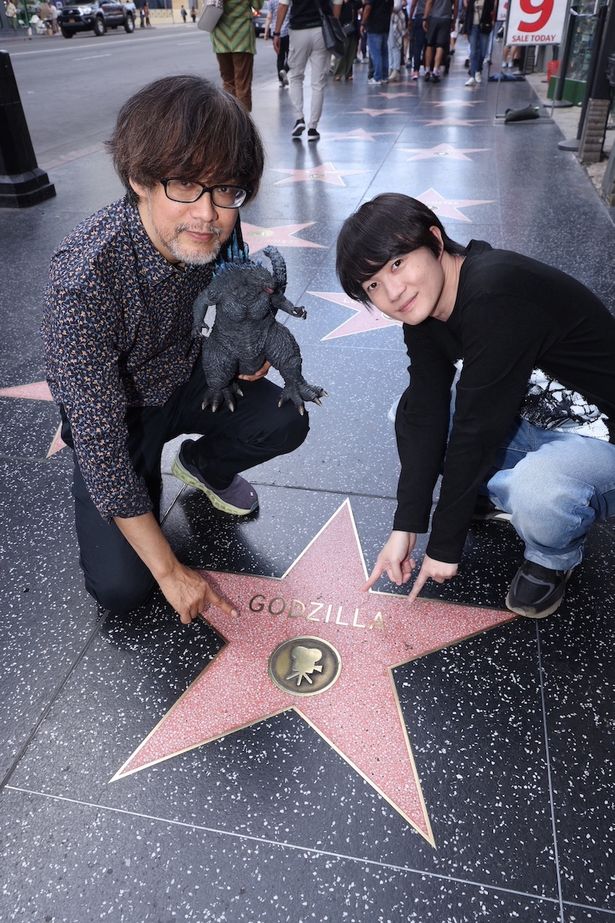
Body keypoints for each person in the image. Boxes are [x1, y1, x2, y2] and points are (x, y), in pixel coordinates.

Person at [42, 76, 309, 625]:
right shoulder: (83, 282)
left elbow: (241, 289)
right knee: (121, 589)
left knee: (287, 418)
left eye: (227, 189)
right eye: (185, 184)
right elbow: (102, 450)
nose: (208, 214)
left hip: (189, 376)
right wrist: (170, 570)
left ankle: (201, 465)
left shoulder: (214, 226)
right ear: (139, 178)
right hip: (118, 417)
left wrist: (244, 350)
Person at [336, 193, 615, 619]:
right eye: (373, 285)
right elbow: (427, 411)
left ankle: (551, 556)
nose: (392, 291)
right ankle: (490, 489)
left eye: (397, 263)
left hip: (602, 436)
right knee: (408, 414)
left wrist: (445, 543)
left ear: (434, 239)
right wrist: (406, 525)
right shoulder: (424, 311)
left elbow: (477, 429)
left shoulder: (494, 289)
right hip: (534, 419)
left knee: (537, 490)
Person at [272, 0, 343, 141]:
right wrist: (332, 23)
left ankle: (299, 119)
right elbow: (338, 3)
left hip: (298, 30)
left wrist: (277, 32)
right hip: (321, 30)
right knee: (318, 83)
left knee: (296, 77)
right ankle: (313, 128)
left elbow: (283, 5)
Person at [211, 0, 261, 112]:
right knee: (243, 85)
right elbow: (258, 5)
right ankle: (243, 124)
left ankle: (230, 121)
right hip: (242, 36)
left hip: (221, 37)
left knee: (228, 82)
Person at [422, 0, 457, 81]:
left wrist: (425, 18)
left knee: (429, 44)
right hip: (446, 19)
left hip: (434, 17)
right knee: (440, 45)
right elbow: (456, 6)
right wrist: (454, 21)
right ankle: (435, 70)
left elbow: (429, 2)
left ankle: (427, 70)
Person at [361, 0, 393, 86]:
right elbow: (391, 8)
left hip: (374, 26)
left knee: (376, 53)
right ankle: (384, 76)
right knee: (384, 52)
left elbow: (368, 8)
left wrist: (363, 23)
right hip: (385, 26)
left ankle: (377, 77)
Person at [463, 0, 494, 85]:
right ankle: (472, 76)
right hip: (473, 27)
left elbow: (492, 12)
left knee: (483, 52)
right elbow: (468, 14)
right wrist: (465, 30)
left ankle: (478, 70)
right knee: (473, 52)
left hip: (484, 27)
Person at [268, 0, 290, 86]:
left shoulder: (271, 1)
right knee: (291, 56)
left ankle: (281, 81)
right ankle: (284, 70)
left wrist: (266, 31)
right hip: (287, 32)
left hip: (275, 31)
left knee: (280, 57)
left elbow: (269, 17)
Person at [408, 0, 427, 78]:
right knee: (429, 45)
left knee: (417, 46)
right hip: (432, 17)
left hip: (420, 16)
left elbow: (413, 4)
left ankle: (416, 70)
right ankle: (428, 68)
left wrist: (410, 18)